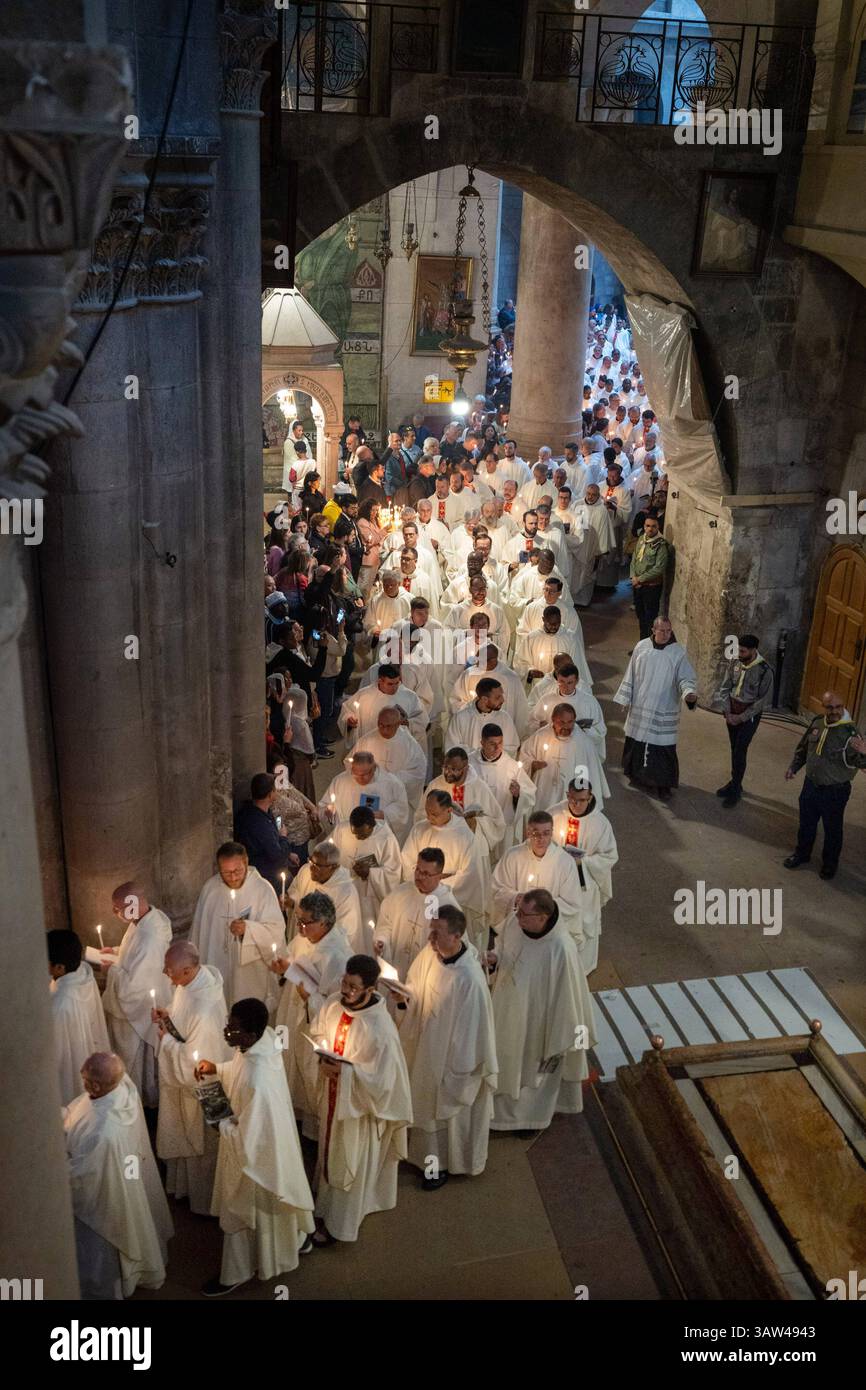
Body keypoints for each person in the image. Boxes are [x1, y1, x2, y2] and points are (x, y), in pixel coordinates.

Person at [197, 998, 316, 1295]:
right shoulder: (261, 1043)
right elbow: (239, 1070)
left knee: (244, 1208)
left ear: (250, 1035)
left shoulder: (259, 1076)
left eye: (232, 1029)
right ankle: (294, 1240)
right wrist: (219, 1069)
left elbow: (251, 1140)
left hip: (256, 1159)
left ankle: (237, 1270)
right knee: (278, 1200)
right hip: (274, 1145)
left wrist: (219, 1121)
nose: (226, 1031)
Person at [310, 954, 413, 1245]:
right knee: (328, 1157)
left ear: (371, 989)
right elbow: (319, 1032)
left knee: (348, 1162)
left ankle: (340, 1226)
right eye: (344, 982)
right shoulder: (333, 1003)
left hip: (358, 1114)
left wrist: (344, 1073)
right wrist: (321, 1056)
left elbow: (383, 1083)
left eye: (353, 987)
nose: (345, 991)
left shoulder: (380, 1027)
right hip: (333, 1102)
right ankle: (324, 1208)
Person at [400, 906, 498, 1188]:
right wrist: (403, 999)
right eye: (430, 931)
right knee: (425, 1111)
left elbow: (471, 1036)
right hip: (427, 1048)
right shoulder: (431, 954)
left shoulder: (470, 980)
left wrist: (452, 1072)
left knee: (446, 1119)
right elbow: (414, 987)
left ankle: (444, 1166)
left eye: (437, 933)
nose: (430, 939)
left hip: (451, 1062)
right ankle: (425, 1159)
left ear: (456, 936)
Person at [63, 1051, 172, 1299]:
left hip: (102, 1200)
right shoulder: (122, 1088)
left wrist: (54, 1168)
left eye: (85, 1079)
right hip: (125, 1174)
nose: (83, 1083)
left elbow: (82, 1178)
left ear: (96, 1085)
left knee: (98, 1249)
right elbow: (79, 1111)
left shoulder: (103, 1133)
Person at [489, 890, 596, 1133]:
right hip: (506, 1009)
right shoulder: (516, 925)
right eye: (518, 912)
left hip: (539, 1022)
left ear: (543, 917)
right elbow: (503, 948)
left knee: (531, 1069)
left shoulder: (561, 948)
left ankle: (530, 1120)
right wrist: (494, 959)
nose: (518, 919)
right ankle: (498, 1114)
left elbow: (567, 998)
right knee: (505, 1058)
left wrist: (558, 1032)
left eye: (525, 915)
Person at [154, 940, 231, 1215]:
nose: (166, 974)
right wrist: (169, 1017)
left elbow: (194, 1062)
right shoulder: (197, 980)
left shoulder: (204, 1007)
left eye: (170, 970)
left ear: (187, 970)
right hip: (184, 1074)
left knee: (201, 1144)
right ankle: (185, 1188)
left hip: (202, 1087)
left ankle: (206, 1201)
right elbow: (183, 1021)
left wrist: (166, 1041)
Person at [270, 892, 353, 1136]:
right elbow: (293, 964)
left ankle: (315, 1132)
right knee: (293, 1069)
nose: (300, 927)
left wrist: (312, 999)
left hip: (314, 1025)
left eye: (305, 922)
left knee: (311, 1077)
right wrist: (284, 971)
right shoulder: (304, 937)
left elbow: (339, 1004)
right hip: (294, 1014)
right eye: (298, 920)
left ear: (325, 923)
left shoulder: (338, 956)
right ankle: (295, 1120)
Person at [101, 882, 172, 1107]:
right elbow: (134, 955)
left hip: (139, 1015)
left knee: (137, 1070)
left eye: (117, 907)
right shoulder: (146, 918)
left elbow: (134, 989)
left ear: (134, 904)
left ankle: (138, 1106)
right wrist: (116, 952)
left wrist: (110, 970)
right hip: (141, 1007)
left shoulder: (149, 936)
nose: (115, 912)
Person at [190, 842, 285, 1007]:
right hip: (217, 964)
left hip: (250, 974)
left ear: (246, 863)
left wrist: (248, 929)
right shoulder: (210, 890)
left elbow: (276, 931)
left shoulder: (262, 890)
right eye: (226, 873)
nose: (233, 877)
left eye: (237, 871)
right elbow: (199, 931)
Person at [783, 691, 866, 879]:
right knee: (806, 823)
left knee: (832, 829)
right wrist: (794, 767)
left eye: (838, 707)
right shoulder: (818, 723)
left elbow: (861, 764)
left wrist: (865, 752)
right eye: (830, 707)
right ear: (823, 706)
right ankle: (802, 854)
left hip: (835, 791)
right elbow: (804, 748)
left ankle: (829, 864)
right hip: (811, 785)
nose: (835, 711)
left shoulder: (851, 734)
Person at [613, 616, 698, 801]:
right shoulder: (641, 647)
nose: (667, 634)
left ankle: (663, 785)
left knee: (663, 748)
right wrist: (625, 697)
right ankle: (636, 775)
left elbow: (685, 678)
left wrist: (689, 693)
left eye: (669, 631)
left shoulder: (677, 653)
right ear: (653, 630)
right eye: (662, 630)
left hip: (663, 708)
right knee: (637, 741)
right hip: (641, 705)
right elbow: (631, 674)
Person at [400, 790, 489, 953]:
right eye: (427, 812)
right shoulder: (420, 829)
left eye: (434, 814)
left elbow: (468, 875)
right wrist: (423, 879)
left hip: (447, 898)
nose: (429, 818)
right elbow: (406, 860)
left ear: (449, 810)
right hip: (418, 893)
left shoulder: (465, 836)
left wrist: (436, 883)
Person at [548, 780, 619, 974]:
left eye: (581, 800)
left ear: (590, 798)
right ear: (566, 794)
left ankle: (582, 969)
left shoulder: (601, 824)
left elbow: (610, 856)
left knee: (583, 925)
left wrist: (584, 861)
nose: (576, 804)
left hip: (585, 885)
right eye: (572, 799)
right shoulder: (554, 814)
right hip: (558, 884)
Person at [492, 811, 586, 941]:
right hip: (518, 928)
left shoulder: (565, 862)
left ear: (552, 832)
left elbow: (572, 903)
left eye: (546, 833)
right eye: (535, 833)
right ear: (528, 832)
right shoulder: (512, 856)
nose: (540, 838)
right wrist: (516, 898)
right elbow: (495, 890)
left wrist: (543, 907)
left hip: (550, 933)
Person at [374, 848, 460, 981]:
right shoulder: (401, 892)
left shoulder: (448, 906)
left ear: (440, 876)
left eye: (426, 873)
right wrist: (382, 940)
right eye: (418, 870)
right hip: (397, 966)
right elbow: (386, 922)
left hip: (426, 975)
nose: (419, 876)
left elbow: (454, 946)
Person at [48, 929, 110, 1106]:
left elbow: (54, 1051)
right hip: (89, 1050)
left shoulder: (60, 1003)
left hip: (71, 1064)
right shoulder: (84, 972)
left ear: (59, 967)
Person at [329, 806, 402, 948]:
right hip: (346, 895)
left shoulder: (386, 838)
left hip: (369, 900)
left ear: (371, 826)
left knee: (367, 940)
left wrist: (370, 873)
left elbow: (393, 873)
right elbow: (328, 851)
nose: (358, 838)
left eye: (362, 835)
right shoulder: (342, 830)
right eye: (355, 833)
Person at [715, 635, 775, 808]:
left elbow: (760, 702)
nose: (739, 654)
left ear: (754, 650)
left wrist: (740, 717)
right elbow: (725, 687)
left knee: (740, 749)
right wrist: (727, 710)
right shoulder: (735, 662)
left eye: (743, 651)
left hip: (748, 716)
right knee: (734, 748)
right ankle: (735, 782)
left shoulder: (765, 671)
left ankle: (735, 790)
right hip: (732, 710)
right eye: (738, 650)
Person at [417, 746, 506, 861]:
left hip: (471, 843)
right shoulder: (435, 785)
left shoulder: (479, 787)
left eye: (454, 769)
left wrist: (475, 822)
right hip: (442, 843)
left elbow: (497, 822)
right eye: (445, 767)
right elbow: (420, 816)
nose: (448, 773)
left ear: (465, 768)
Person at [518, 702, 609, 811]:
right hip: (543, 795)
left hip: (571, 797)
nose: (566, 726)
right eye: (561, 722)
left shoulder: (584, 743)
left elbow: (592, 774)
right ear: (553, 719)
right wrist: (532, 764)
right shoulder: (540, 736)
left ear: (575, 720)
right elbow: (524, 756)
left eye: (570, 722)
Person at [468, 723, 537, 855]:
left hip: (503, 826)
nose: (497, 748)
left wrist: (518, 794)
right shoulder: (470, 764)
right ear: (482, 742)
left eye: (500, 743)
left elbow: (530, 794)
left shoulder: (512, 766)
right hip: (479, 825)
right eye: (492, 743)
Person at [286, 839, 363, 952]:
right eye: (311, 861)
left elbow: (345, 930)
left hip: (327, 952)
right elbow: (295, 889)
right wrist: (292, 902)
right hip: (302, 945)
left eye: (317, 865)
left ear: (333, 867)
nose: (311, 868)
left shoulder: (346, 892)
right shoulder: (305, 871)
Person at [319, 750, 410, 842]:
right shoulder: (340, 780)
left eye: (364, 774)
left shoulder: (392, 783)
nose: (360, 778)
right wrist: (328, 811)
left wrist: (383, 814)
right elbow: (324, 805)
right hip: (347, 836)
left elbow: (401, 808)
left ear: (374, 768)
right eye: (355, 773)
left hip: (376, 839)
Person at [353, 704, 428, 809]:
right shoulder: (366, 740)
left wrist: (389, 780)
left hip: (395, 798)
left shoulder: (409, 744)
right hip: (369, 794)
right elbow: (351, 763)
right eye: (381, 724)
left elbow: (417, 772)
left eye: (388, 726)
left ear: (398, 724)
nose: (383, 730)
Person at [233, 772, 293, 896]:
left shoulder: (249, 811)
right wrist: (283, 838)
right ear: (270, 794)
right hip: (267, 879)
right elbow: (277, 857)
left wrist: (289, 853)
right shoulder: (260, 824)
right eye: (275, 790)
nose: (277, 792)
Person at [446, 677, 520, 757]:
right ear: (484, 699)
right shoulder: (460, 718)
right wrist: (479, 755)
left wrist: (492, 756)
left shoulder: (505, 718)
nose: (502, 700)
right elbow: (451, 747)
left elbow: (512, 747)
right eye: (498, 697)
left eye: (502, 695)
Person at [629, 512, 670, 640]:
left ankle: (649, 643)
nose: (650, 529)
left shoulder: (661, 545)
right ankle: (642, 643)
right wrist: (632, 577)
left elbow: (659, 568)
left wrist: (639, 579)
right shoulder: (642, 539)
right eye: (647, 526)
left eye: (653, 526)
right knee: (640, 615)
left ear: (658, 528)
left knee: (650, 617)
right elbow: (635, 558)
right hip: (638, 585)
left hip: (651, 587)